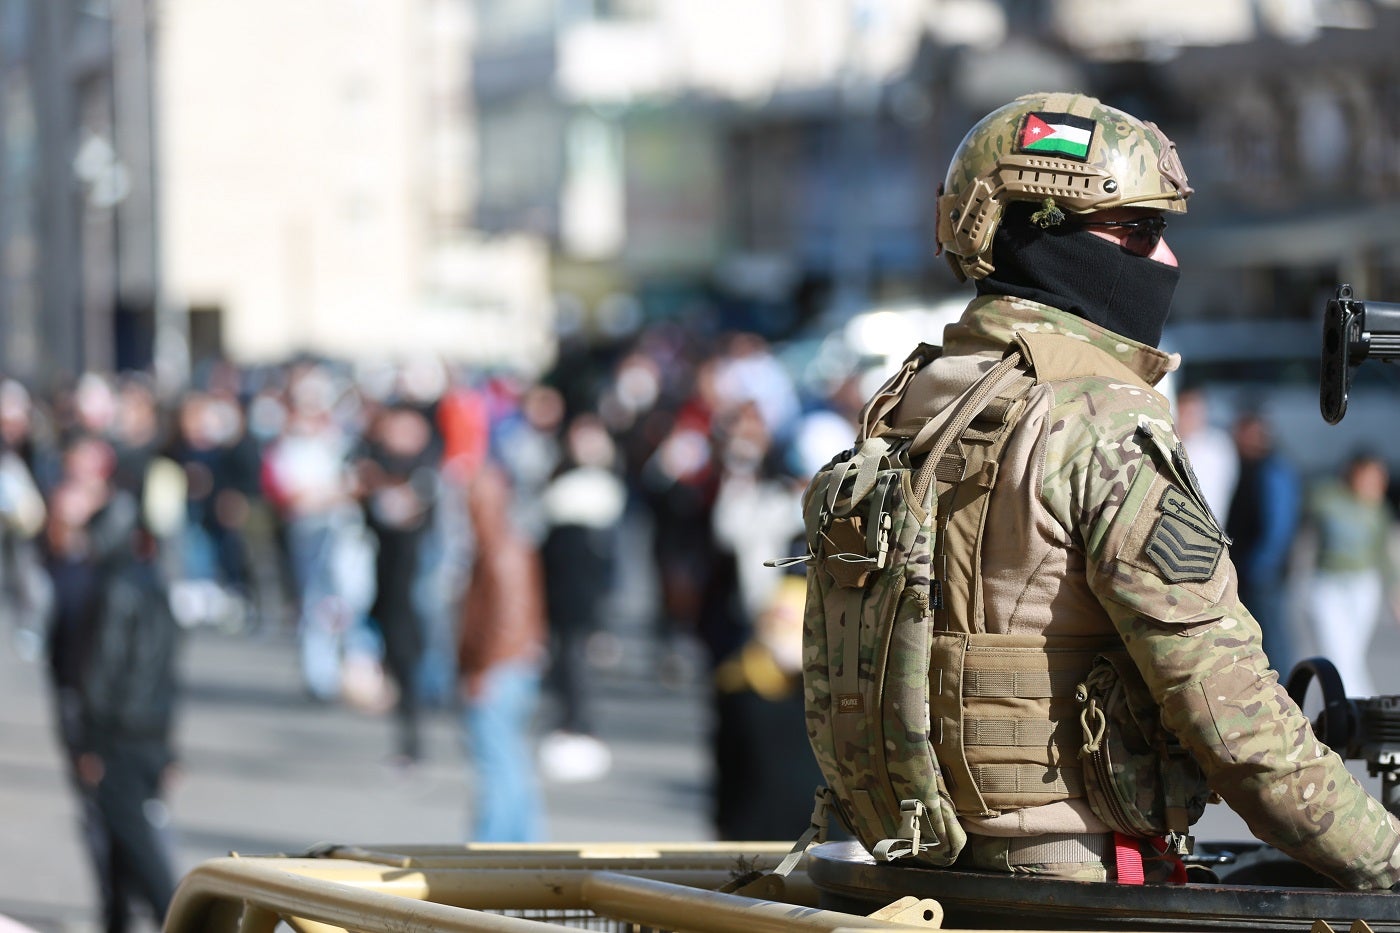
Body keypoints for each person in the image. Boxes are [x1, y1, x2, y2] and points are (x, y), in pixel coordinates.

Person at [862, 91, 1400, 887]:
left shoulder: (921, 399)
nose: (1167, 261)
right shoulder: (1098, 421)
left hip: (930, 867)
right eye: (1140, 231)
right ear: (1041, 236)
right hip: (1073, 881)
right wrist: (1383, 853)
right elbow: (1234, 712)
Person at [42, 436, 181, 932]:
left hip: (119, 732)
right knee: (124, 837)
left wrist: (91, 742)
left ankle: (179, 918)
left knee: (133, 837)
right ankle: (119, 918)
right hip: (145, 728)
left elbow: (101, 671)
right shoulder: (149, 581)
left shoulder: (111, 587)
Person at [1302, 451, 1399, 698]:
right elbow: (1307, 510)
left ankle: (1337, 709)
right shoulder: (1328, 498)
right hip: (1328, 583)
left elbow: (1384, 554)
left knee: (1351, 655)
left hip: (1363, 585)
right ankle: (1359, 707)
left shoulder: (1378, 510)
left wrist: (1395, 592)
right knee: (1336, 651)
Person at [1225, 411, 1302, 673]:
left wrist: (1258, 566)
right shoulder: (1250, 466)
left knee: (1272, 639)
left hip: (1262, 573)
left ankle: (1286, 691)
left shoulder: (1272, 470)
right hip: (1252, 569)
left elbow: (1278, 526)